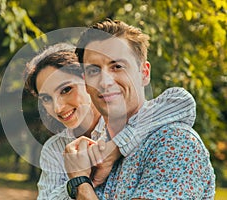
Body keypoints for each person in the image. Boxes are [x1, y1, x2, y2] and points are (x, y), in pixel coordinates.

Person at [25, 43, 200, 199]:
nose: (57, 108)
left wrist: (115, 147)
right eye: (46, 99)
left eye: (66, 90)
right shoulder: (54, 148)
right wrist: (78, 178)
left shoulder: (127, 121)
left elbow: (182, 102)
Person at [64, 19, 216, 199]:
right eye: (94, 71)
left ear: (144, 73)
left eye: (117, 67)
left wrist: (80, 184)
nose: (105, 82)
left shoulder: (174, 143)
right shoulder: (95, 154)